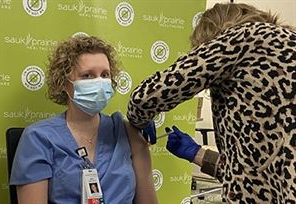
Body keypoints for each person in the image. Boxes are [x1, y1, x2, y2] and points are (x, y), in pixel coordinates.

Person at [127, 2, 296, 203]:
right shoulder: (273, 58)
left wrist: (139, 119)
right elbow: (252, 177)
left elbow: (144, 97)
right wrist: (198, 154)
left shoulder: (243, 37)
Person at [10, 36, 158, 204]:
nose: (99, 82)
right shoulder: (38, 138)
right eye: (87, 76)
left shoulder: (127, 133)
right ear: (65, 84)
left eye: (105, 75)